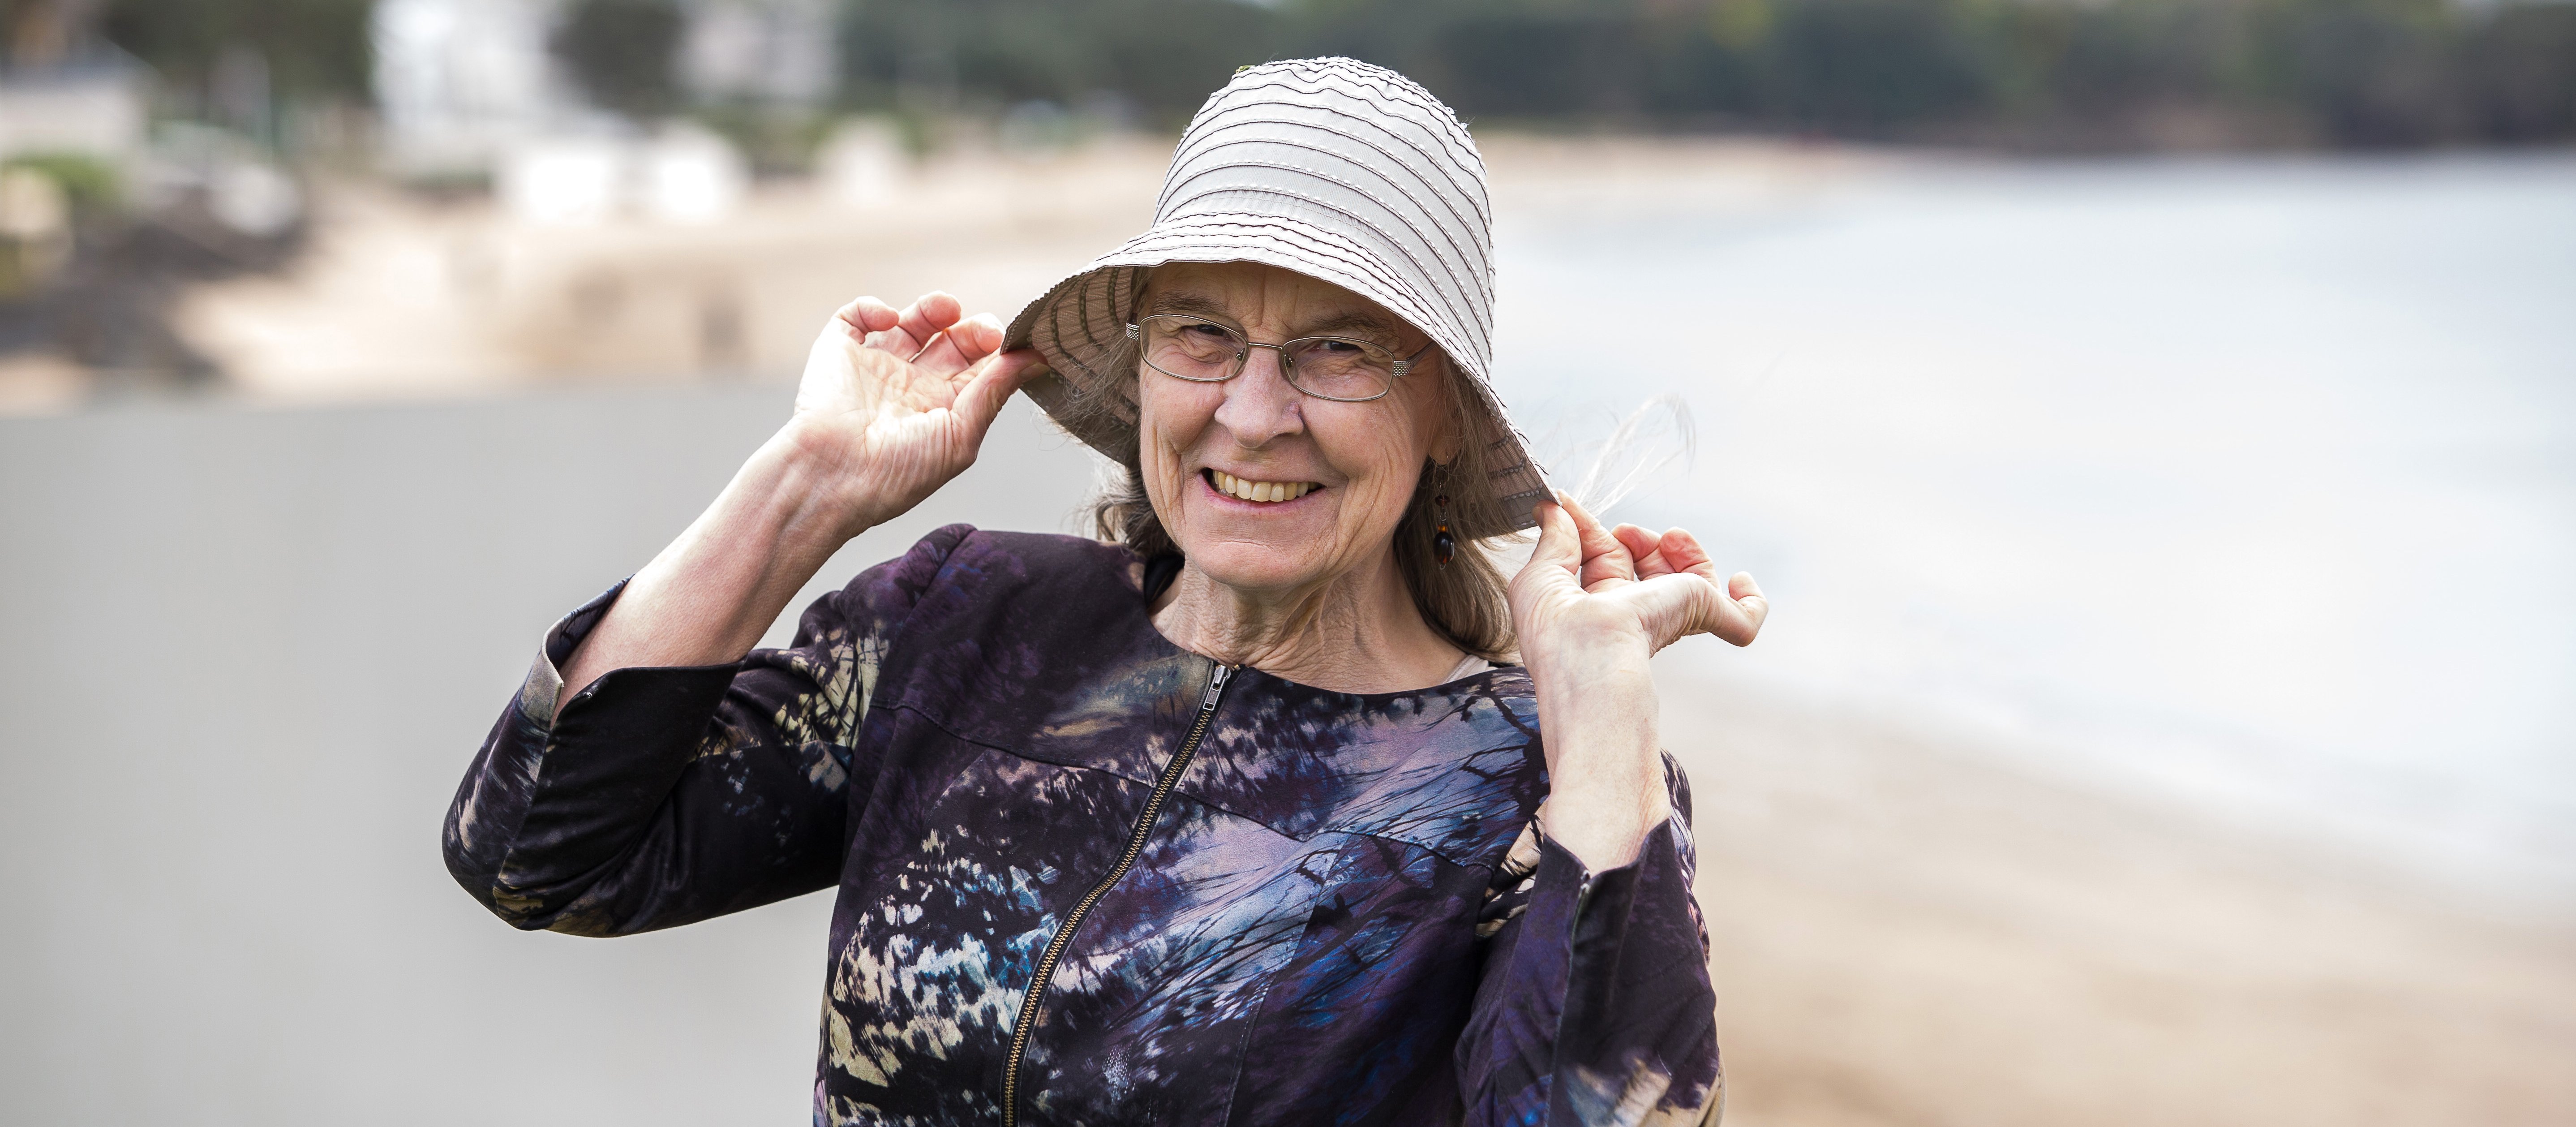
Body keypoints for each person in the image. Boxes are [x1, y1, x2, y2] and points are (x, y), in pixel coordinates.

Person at [443, 58, 1766, 1125]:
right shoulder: (968, 623)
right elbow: (537, 850)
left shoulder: (1527, 789)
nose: (1252, 415)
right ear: (1140, 367)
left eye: (1338, 350)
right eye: (1203, 333)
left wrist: (1598, 711)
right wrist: (807, 490)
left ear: (1441, 419)